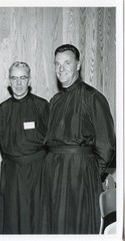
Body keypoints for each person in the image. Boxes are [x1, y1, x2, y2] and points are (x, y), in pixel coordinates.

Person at [43, 44, 116, 234]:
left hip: (80, 175)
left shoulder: (93, 97)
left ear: (78, 65)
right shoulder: (55, 101)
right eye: (57, 64)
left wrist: (90, 173)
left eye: (67, 63)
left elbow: (106, 145)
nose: (61, 69)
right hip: (55, 175)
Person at [0, 62, 49, 234]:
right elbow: (3, 144)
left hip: (37, 173)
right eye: (14, 78)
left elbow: (49, 141)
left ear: (29, 80)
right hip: (12, 173)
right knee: (13, 217)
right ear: (9, 81)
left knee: (36, 217)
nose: (18, 83)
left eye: (23, 78)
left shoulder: (42, 105)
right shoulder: (2, 109)